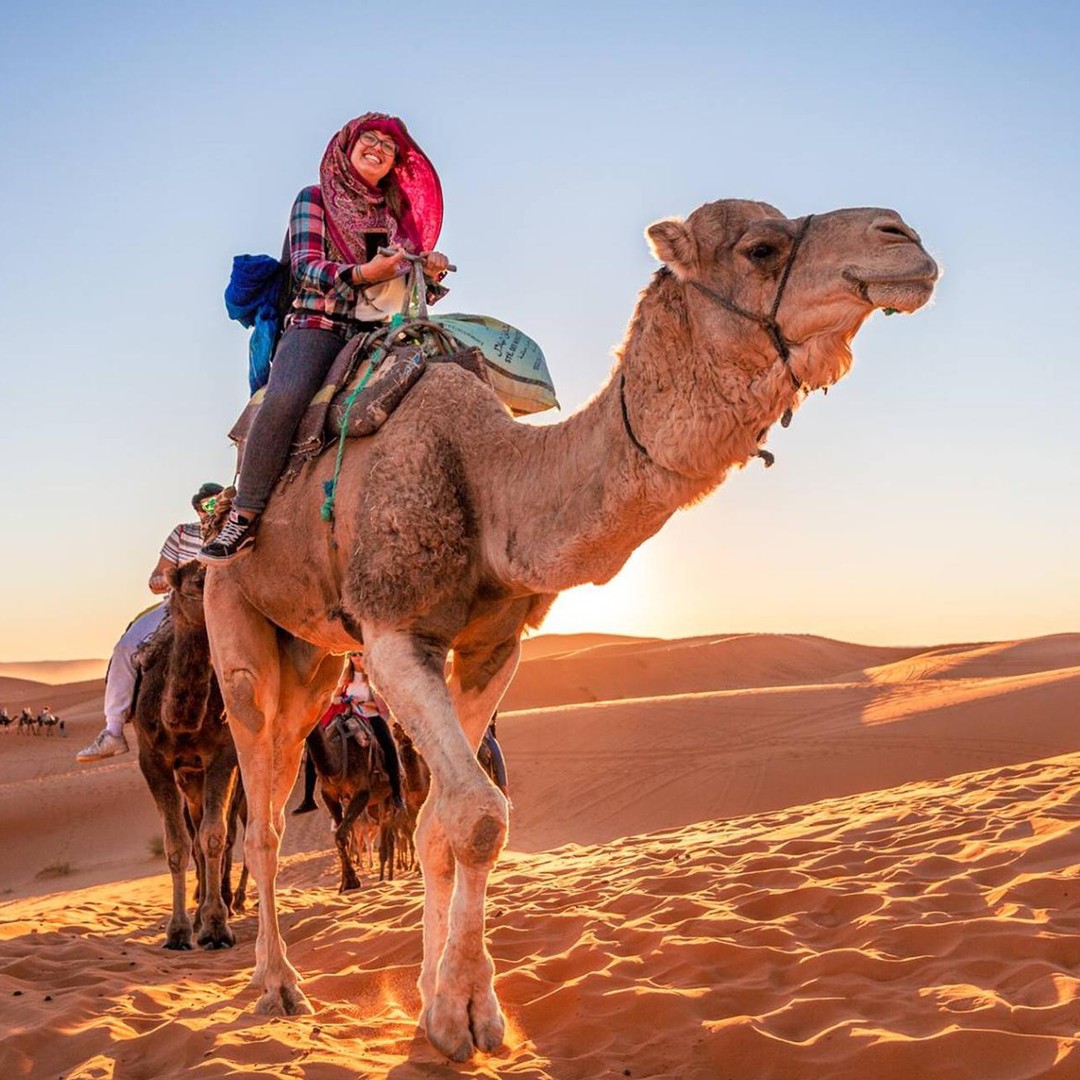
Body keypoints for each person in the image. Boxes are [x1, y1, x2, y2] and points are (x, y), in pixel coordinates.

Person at [200, 112, 450, 563]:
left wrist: (426, 271)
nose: (377, 148)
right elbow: (308, 267)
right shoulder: (313, 200)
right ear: (347, 146)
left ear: (395, 162)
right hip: (318, 325)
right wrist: (361, 273)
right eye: (368, 140)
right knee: (288, 396)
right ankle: (244, 514)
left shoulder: (396, 218)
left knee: (448, 374)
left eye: (387, 146)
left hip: (380, 330)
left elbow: (404, 287)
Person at [75, 483, 224, 763]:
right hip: (179, 604)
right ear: (197, 508)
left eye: (217, 502)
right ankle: (113, 731)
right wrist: (159, 579)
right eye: (206, 505)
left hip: (228, 607)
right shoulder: (182, 534)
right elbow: (159, 573)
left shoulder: (235, 532)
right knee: (125, 648)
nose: (212, 510)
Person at [293, 651, 405, 812]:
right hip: (347, 717)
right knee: (316, 748)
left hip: (371, 717)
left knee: (388, 746)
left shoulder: (374, 678)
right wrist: (345, 700)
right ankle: (308, 798)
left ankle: (396, 793)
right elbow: (335, 698)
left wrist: (365, 703)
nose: (357, 657)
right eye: (353, 654)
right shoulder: (345, 678)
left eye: (360, 654)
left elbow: (384, 703)